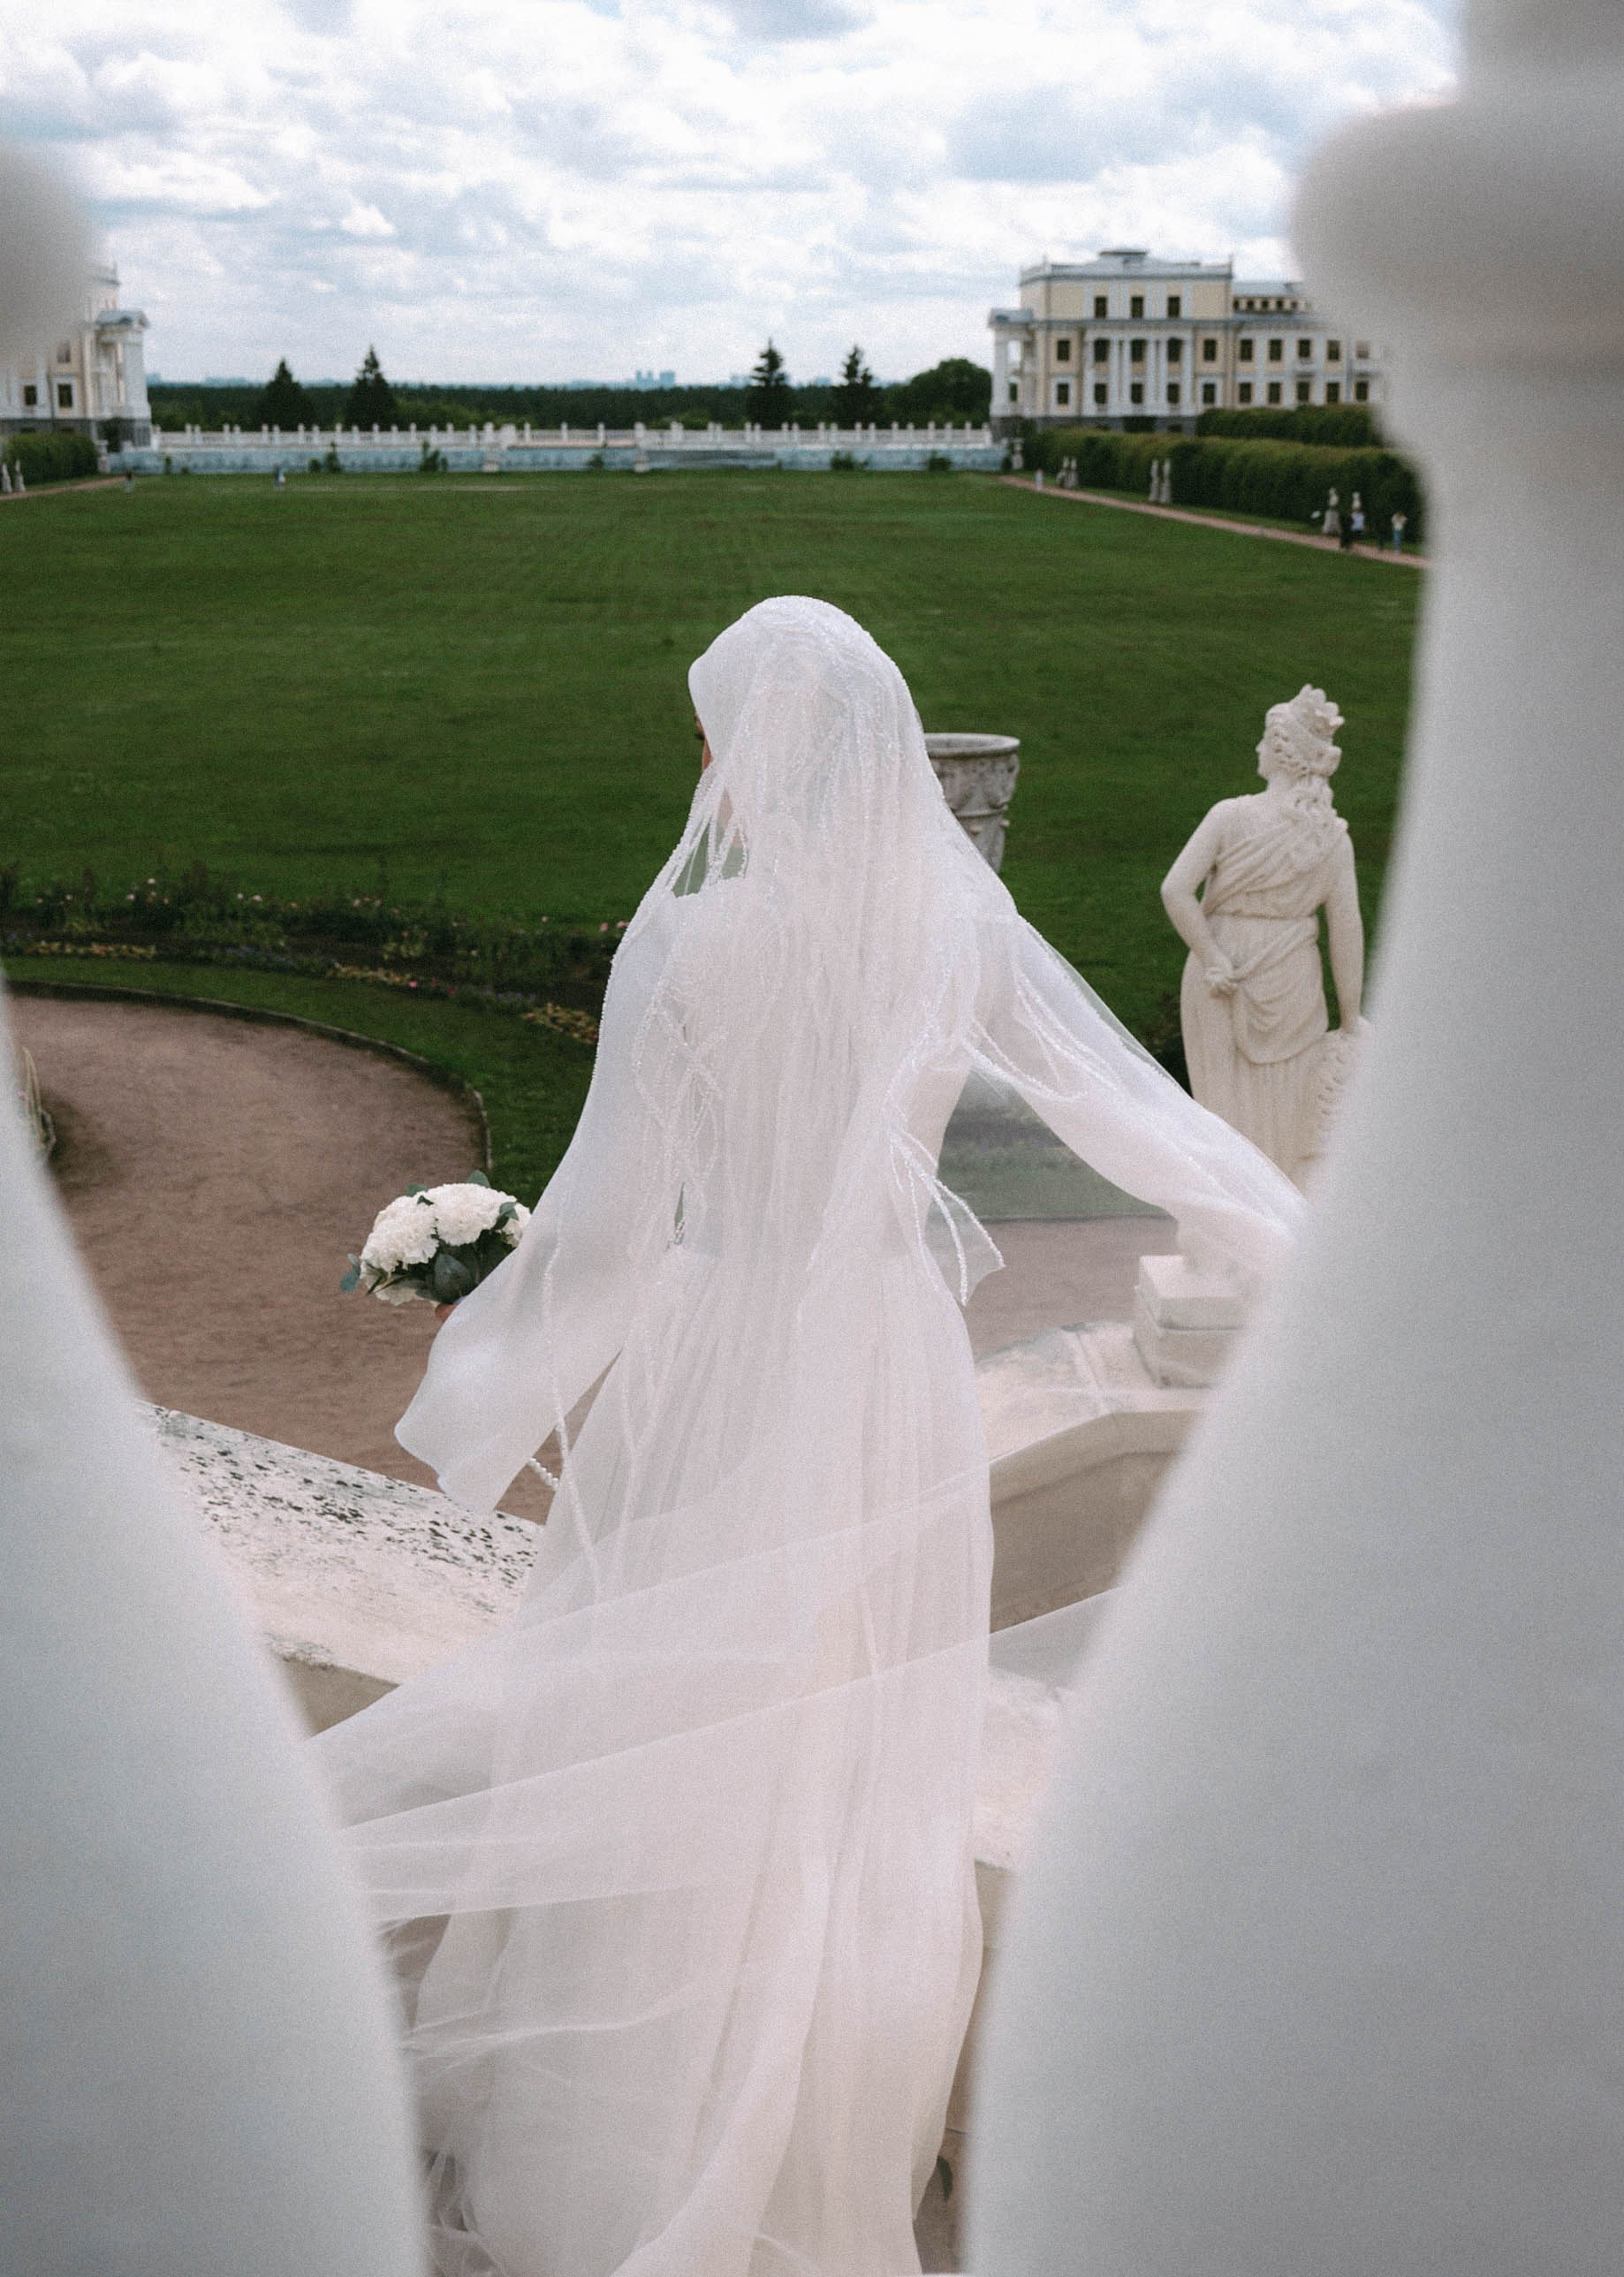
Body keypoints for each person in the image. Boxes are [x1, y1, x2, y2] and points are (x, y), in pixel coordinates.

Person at [316, 598, 1301, 2277]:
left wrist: (482, 1353)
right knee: (847, 1760)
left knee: (662, 1711)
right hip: (884, 1366)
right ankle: (806, 2155)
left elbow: (611, 1228)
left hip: (727, 1352)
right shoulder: (955, 927)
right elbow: (1130, 1110)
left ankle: (614, 2153)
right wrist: (1309, 1252)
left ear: (754, 748)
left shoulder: (693, 948)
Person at [1161, 684, 1367, 1182]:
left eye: (1262, 741)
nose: (1255, 750)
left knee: (1222, 1112)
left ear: (1280, 752)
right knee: (1292, 1108)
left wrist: (1211, 956)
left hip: (1224, 972)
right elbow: (1346, 930)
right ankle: (1280, 1229)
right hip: (1293, 975)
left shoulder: (1230, 816)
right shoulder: (1331, 837)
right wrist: (1351, 1017)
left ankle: (1229, 1234)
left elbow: (1175, 890)